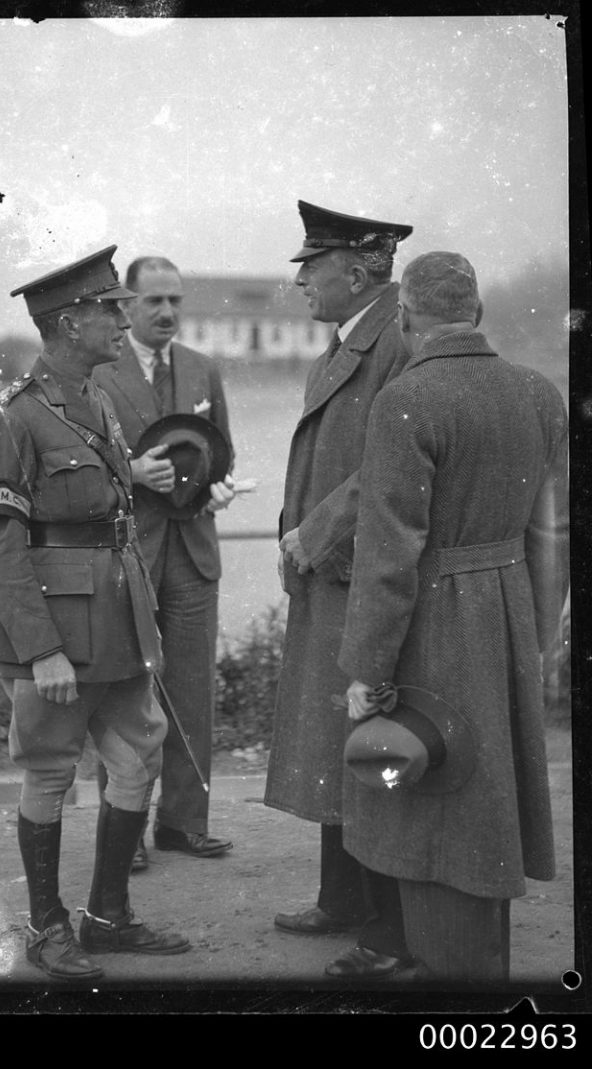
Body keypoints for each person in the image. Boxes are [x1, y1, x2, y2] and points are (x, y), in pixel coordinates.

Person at [327, 251, 569, 982]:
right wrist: (543, 631)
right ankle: (478, 963)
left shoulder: (407, 399)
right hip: (509, 610)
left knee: (429, 787)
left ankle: (451, 975)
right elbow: (553, 530)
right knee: (486, 784)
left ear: (404, 319)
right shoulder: (538, 392)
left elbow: (388, 555)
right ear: (479, 313)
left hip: (433, 620)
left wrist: (366, 671)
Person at [0, 245, 191, 982]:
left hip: (121, 619)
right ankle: (45, 926)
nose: (123, 320)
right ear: (70, 323)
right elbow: (2, 550)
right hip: (60, 632)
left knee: (139, 756)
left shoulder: (98, 399)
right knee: (48, 770)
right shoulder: (13, 416)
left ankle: (107, 915)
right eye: (110, 309)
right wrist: (41, 651)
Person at [264, 200, 414, 937]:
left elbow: (389, 465)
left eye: (311, 266)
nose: (300, 282)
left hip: (359, 573)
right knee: (337, 739)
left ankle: (377, 917)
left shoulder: (398, 341)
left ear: (357, 270)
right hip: (333, 572)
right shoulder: (351, 340)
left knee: (363, 738)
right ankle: (342, 899)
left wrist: (312, 533)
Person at [93, 256, 237, 864]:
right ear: (127, 306)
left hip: (194, 552)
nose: (167, 313)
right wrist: (130, 471)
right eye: (154, 301)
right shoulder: (98, 373)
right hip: (130, 555)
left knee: (193, 691)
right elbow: (79, 467)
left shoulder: (204, 370)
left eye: (176, 300)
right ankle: (124, 836)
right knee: (127, 694)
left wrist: (221, 485)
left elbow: (218, 454)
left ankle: (183, 822)